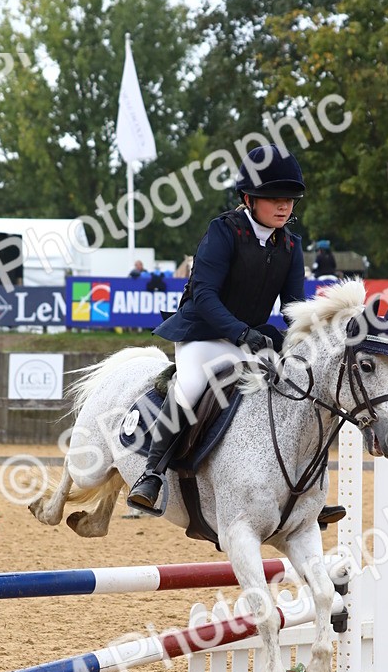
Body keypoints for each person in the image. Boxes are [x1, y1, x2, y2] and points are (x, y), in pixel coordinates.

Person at [127, 144, 308, 514]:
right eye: (274, 198)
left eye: (290, 199)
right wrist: (242, 333)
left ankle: (301, 490)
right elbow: (205, 296)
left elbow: (293, 308)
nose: (284, 206)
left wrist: (304, 341)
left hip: (250, 339)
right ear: (249, 198)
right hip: (203, 335)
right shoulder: (223, 232)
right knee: (191, 386)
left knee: (292, 389)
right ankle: (152, 474)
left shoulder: (291, 244)